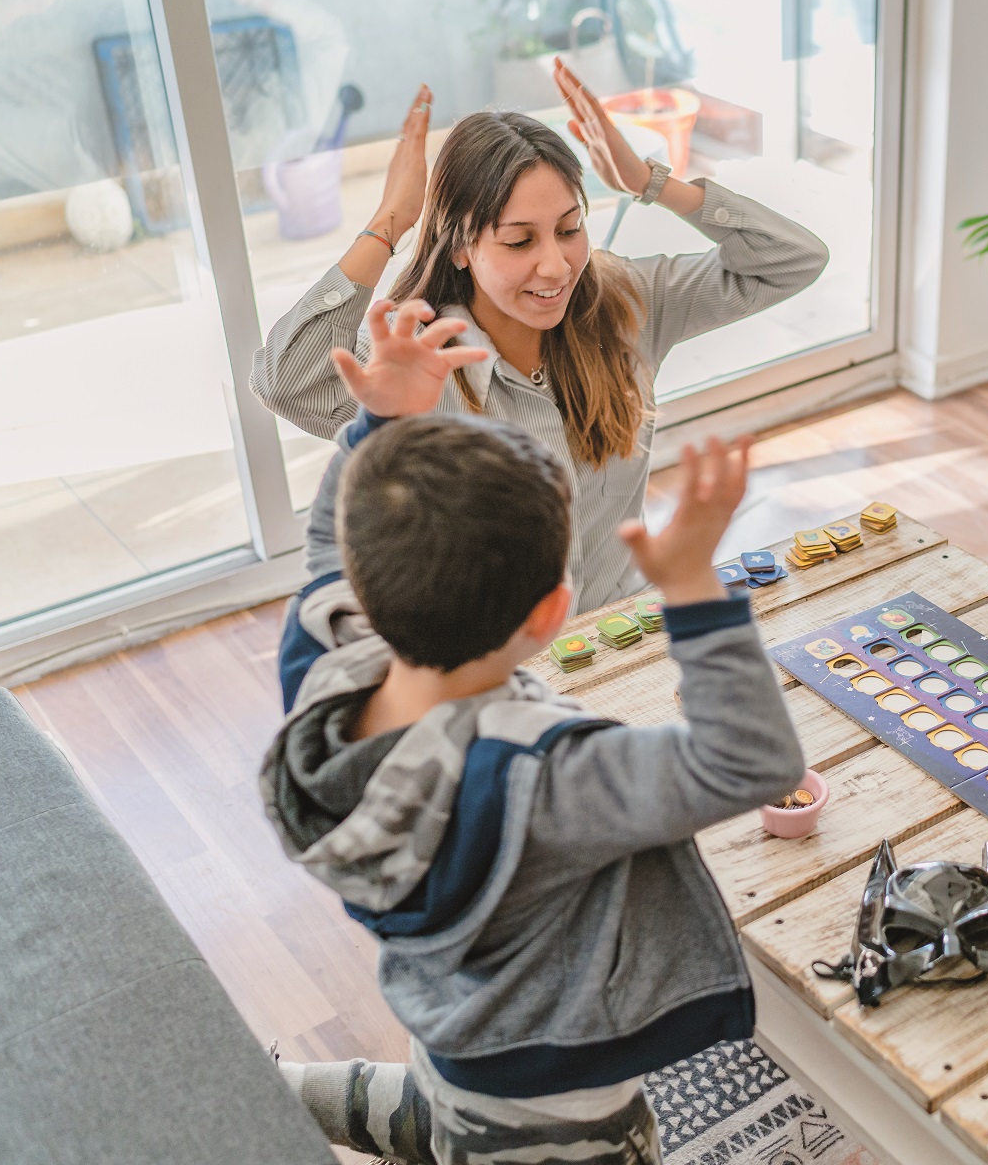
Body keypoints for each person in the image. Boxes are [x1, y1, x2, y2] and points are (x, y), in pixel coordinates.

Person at [259, 317, 805, 1163]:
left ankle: (279, 1093)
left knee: (440, 1114)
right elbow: (751, 764)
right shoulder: (543, 779)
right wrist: (694, 587)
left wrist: (382, 423)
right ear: (555, 614)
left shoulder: (326, 665)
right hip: (561, 1120)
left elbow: (331, 545)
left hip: (452, 1018)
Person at [252, 62, 829, 612]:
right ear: (461, 246)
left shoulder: (627, 299)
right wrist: (391, 222)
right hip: (495, 663)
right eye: (519, 241)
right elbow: (285, 382)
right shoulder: (418, 358)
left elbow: (792, 261)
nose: (556, 266)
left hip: (620, 631)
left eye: (570, 229)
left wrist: (652, 182)